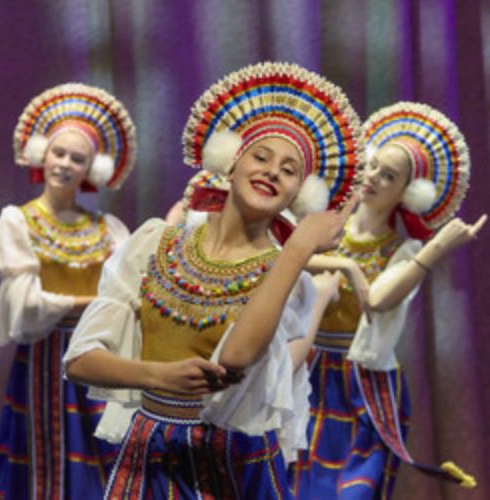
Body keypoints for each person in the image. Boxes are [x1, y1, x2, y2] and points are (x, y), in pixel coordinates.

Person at [62, 61, 363, 499]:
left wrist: (298, 248)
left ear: (298, 193)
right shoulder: (155, 243)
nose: (272, 171)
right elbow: (79, 361)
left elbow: (235, 358)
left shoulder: (285, 276)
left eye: (289, 170)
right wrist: (156, 375)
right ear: (230, 163)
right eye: (261, 156)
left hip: (234, 468)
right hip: (150, 453)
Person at [290, 101, 485, 499]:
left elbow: (377, 299)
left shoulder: (404, 251)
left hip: (363, 385)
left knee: (353, 490)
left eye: (389, 175)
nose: (374, 177)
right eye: (373, 165)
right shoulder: (326, 225)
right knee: (296, 483)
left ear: (407, 194)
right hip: (308, 372)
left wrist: (438, 247)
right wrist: (347, 265)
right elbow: (288, 257)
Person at [0, 83, 137, 499]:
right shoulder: (18, 221)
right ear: (43, 154)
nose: (65, 164)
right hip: (46, 354)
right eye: (59, 153)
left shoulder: (108, 229)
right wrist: (96, 303)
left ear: (92, 169)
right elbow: (26, 306)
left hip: (101, 353)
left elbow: (131, 292)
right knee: (46, 449)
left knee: (104, 446)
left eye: (77, 158)